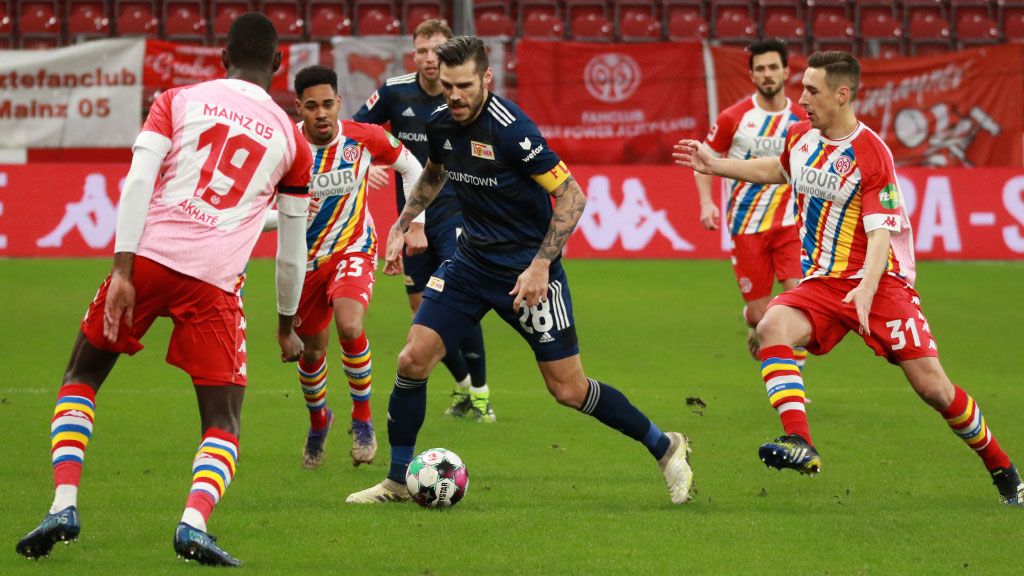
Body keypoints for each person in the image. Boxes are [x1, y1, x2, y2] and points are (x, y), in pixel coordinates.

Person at [15, 13, 313, 566]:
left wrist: (123, 270)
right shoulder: (295, 144)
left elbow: (137, 181)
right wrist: (286, 324)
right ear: (278, 65)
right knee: (223, 422)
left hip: (149, 261)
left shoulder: (178, 99)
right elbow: (291, 252)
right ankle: (193, 523)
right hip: (215, 284)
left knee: (82, 375)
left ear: (222, 56)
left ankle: (63, 503)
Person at [345, 36, 694, 505]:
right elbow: (433, 172)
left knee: (568, 389)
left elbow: (572, 195)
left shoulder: (513, 131)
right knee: (412, 359)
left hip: (525, 273)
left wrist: (540, 266)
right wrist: (403, 223)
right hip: (470, 263)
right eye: (447, 86)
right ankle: (395, 480)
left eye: (465, 85)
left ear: (486, 78)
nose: (454, 95)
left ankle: (664, 446)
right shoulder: (440, 124)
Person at [674, 50, 1023, 505]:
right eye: (801, 89)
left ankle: (1003, 469)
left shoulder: (872, 153)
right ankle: (801, 442)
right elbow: (776, 171)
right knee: (770, 327)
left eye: (812, 91)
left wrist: (867, 287)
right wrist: (715, 165)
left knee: (933, 388)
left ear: (842, 95)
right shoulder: (799, 136)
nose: (801, 100)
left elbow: (882, 232)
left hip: (880, 285)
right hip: (822, 282)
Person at [261, 65, 424, 468]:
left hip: (353, 248)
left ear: (339, 103)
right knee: (312, 352)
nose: (321, 113)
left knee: (350, 325)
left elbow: (413, 167)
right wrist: (285, 212)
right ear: (298, 107)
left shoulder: (363, 137)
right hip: (303, 261)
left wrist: (410, 225)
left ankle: (363, 420)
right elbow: (254, 210)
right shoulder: (284, 149)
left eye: (328, 104)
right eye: (311, 106)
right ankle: (319, 422)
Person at [353, 20, 494, 423]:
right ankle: (467, 388)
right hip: (412, 216)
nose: (429, 59)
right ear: (412, 54)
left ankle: (482, 396)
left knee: (457, 296)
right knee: (423, 310)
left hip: (456, 213)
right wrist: (364, 167)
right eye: (421, 51)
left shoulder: (465, 93)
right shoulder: (396, 92)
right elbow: (355, 133)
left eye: (436, 50)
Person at [694, 39, 807, 360]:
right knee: (760, 314)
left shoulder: (802, 120)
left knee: (798, 304)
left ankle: (792, 386)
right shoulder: (735, 118)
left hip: (791, 225)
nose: (767, 74)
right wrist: (706, 202)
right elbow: (705, 161)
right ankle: (751, 318)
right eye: (760, 69)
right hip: (746, 226)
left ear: (786, 71)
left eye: (773, 67)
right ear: (752, 75)